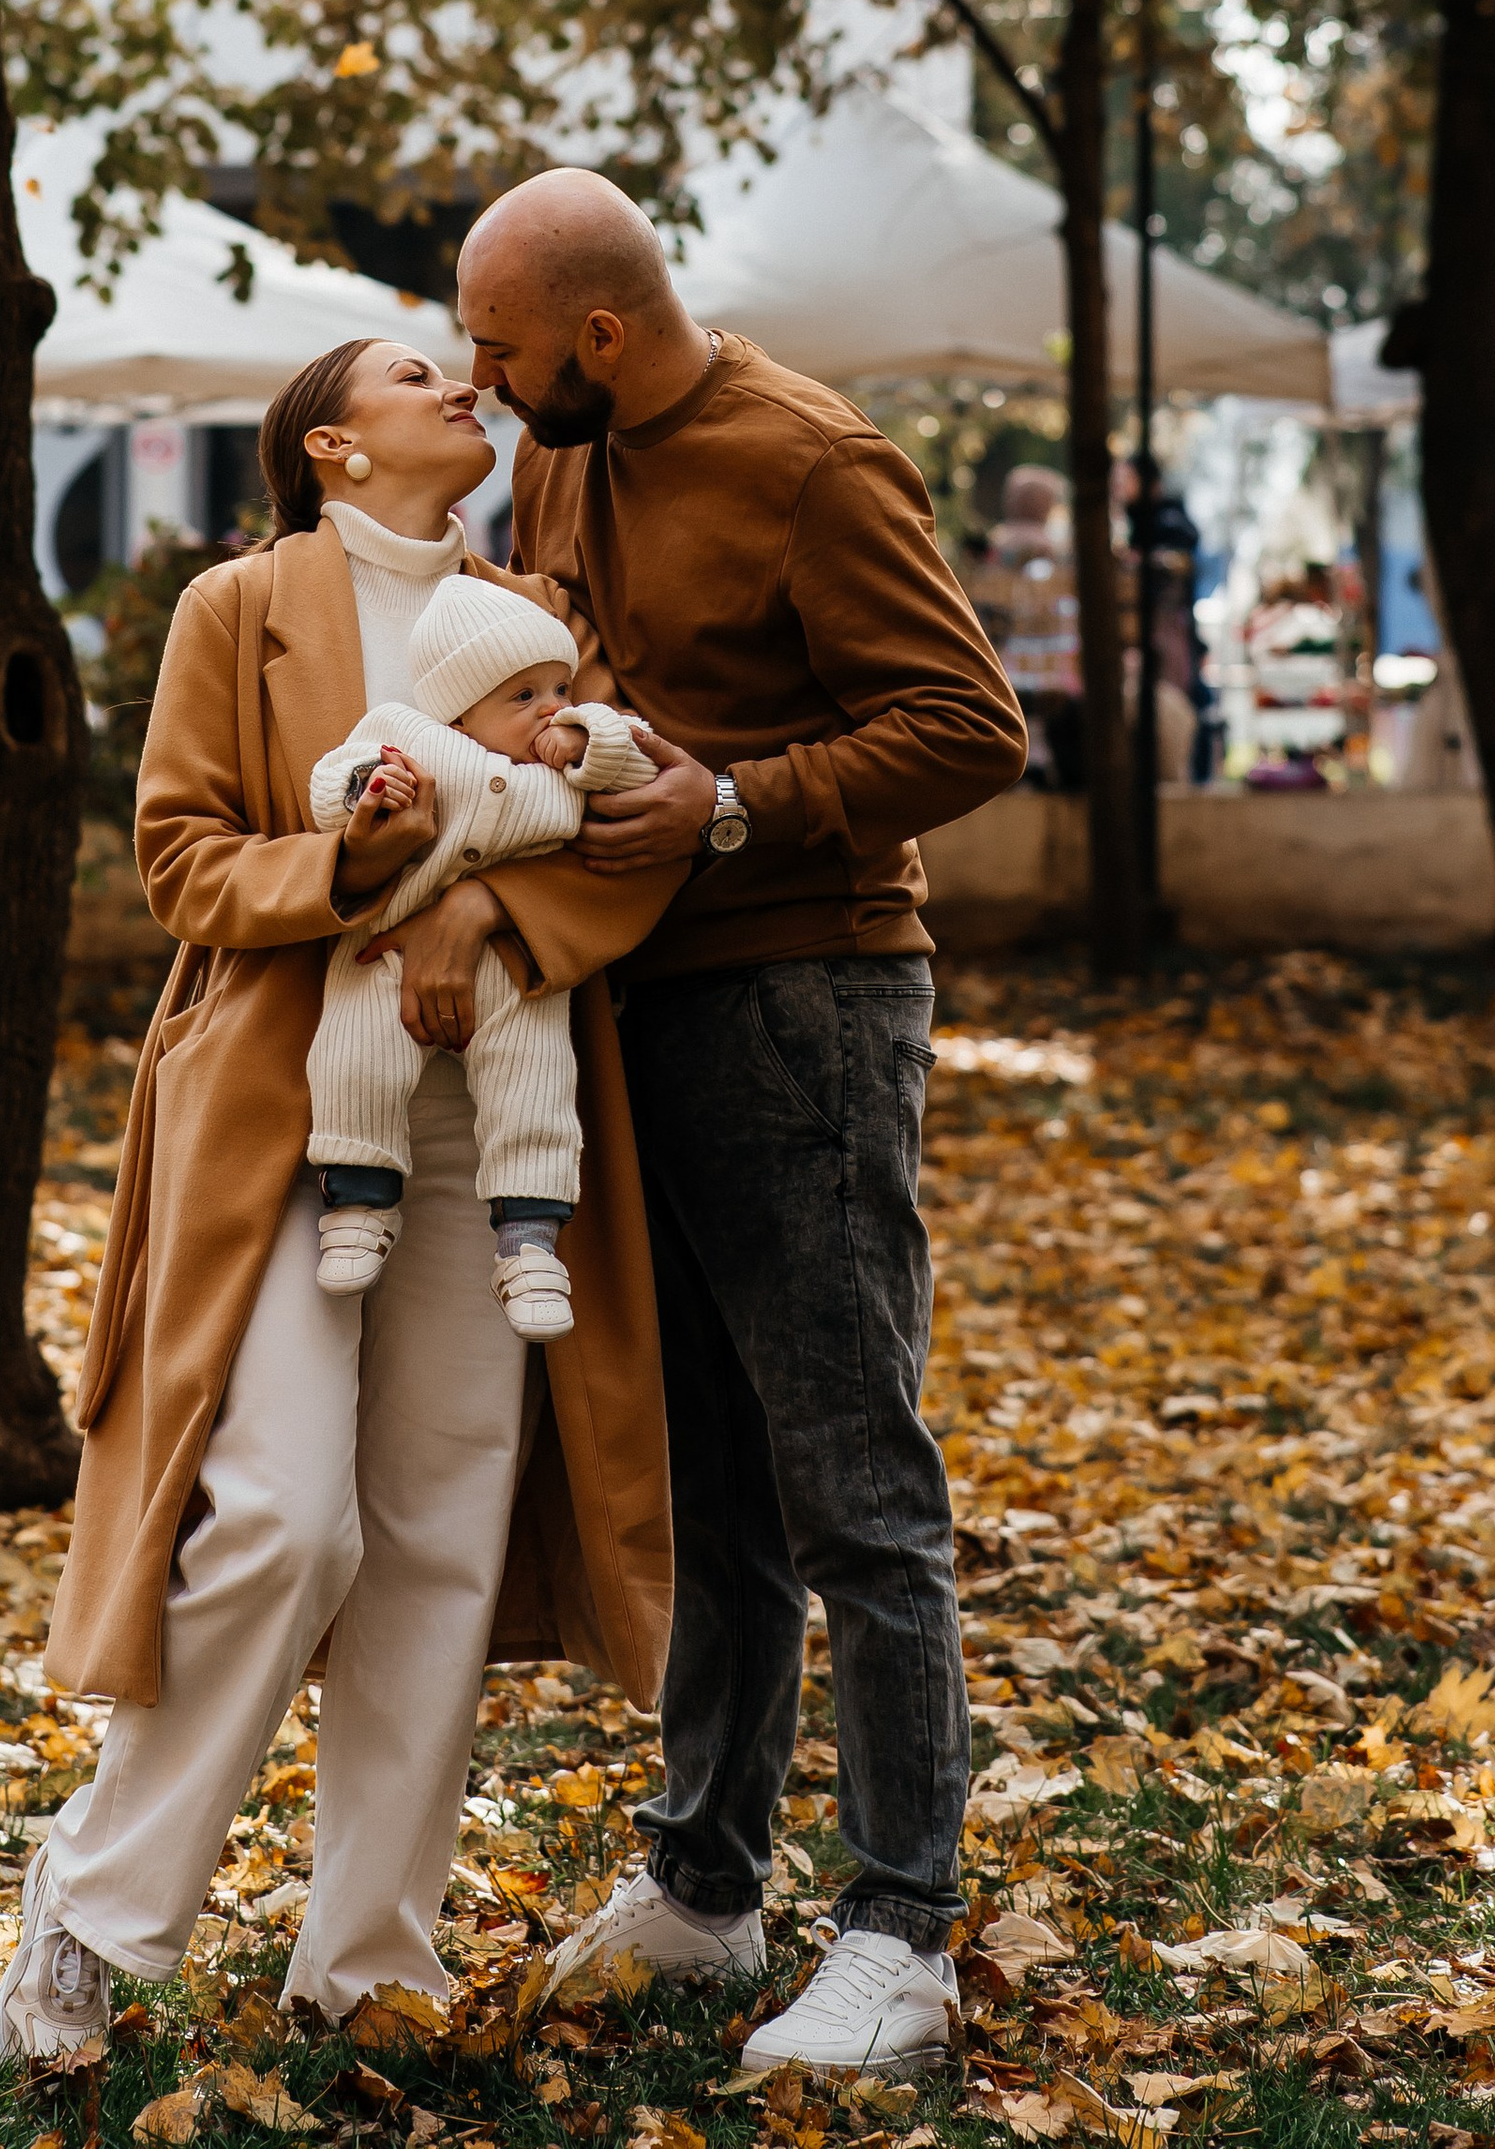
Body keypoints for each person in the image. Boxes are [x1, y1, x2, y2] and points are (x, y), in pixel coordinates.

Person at [0, 331, 683, 2068]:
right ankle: (93, 1899)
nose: (459, 377)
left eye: (457, 362)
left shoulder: (537, 605)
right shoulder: (240, 609)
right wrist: (364, 867)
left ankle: (372, 1953)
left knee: (442, 1532)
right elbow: (180, 859)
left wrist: (486, 919)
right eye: (405, 370)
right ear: (326, 448)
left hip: (502, 1124)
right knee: (289, 1519)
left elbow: (612, 835)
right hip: (285, 1114)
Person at [458, 169, 1030, 2084]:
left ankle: (903, 1932)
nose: (485, 380)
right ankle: (707, 1887)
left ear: (601, 335)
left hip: (806, 1003)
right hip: (625, 1006)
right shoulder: (566, 449)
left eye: (504, 347)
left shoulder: (813, 460)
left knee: (850, 1480)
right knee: (704, 1478)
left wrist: (729, 807)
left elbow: (968, 728)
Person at [307, 573, 656, 1333]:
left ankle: (530, 1241)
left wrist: (589, 738)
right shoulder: (412, 732)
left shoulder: (564, 764)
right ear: (461, 709)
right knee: (356, 1056)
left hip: (514, 968)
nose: (550, 707)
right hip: (387, 954)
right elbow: (331, 778)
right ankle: (359, 1201)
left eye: (559, 686)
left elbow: (641, 759)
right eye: (522, 696)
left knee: (535, 1083)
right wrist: (372, 784)